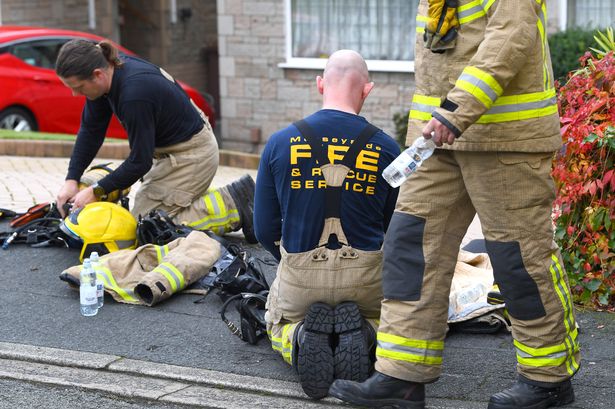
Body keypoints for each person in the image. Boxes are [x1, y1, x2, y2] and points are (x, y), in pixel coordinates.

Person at [329, 1, 581, 409]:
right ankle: (401, 376)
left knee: (521, 259)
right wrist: (432, 126)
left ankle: (547, 380)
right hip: (437, 141)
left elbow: (510, 39)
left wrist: (455, 112)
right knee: (409, 247)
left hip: (504, 142)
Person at [253, 50, 400, 399]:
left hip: (301, 275)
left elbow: (263, 228)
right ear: (367, 90)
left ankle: (300, 339)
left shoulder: (278, 143)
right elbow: (396, 228)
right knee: (396, 323)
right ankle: (366, 334)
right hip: (366, 279)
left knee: (275, 323)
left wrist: (291, 258)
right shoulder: (388, 148)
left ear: (320, 84)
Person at [54, 39, 256, 242]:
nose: (74, 93)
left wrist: (97, 190)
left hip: (191, 155)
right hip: (169, 148)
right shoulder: (110, 72)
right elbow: (91, 131)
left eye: (78, 87)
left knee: (147, 229)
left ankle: (235, 204)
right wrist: (71, 179)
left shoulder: (134, 95)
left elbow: (140, 162)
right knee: (142, 219)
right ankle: (193, 197)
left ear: (97, 74)